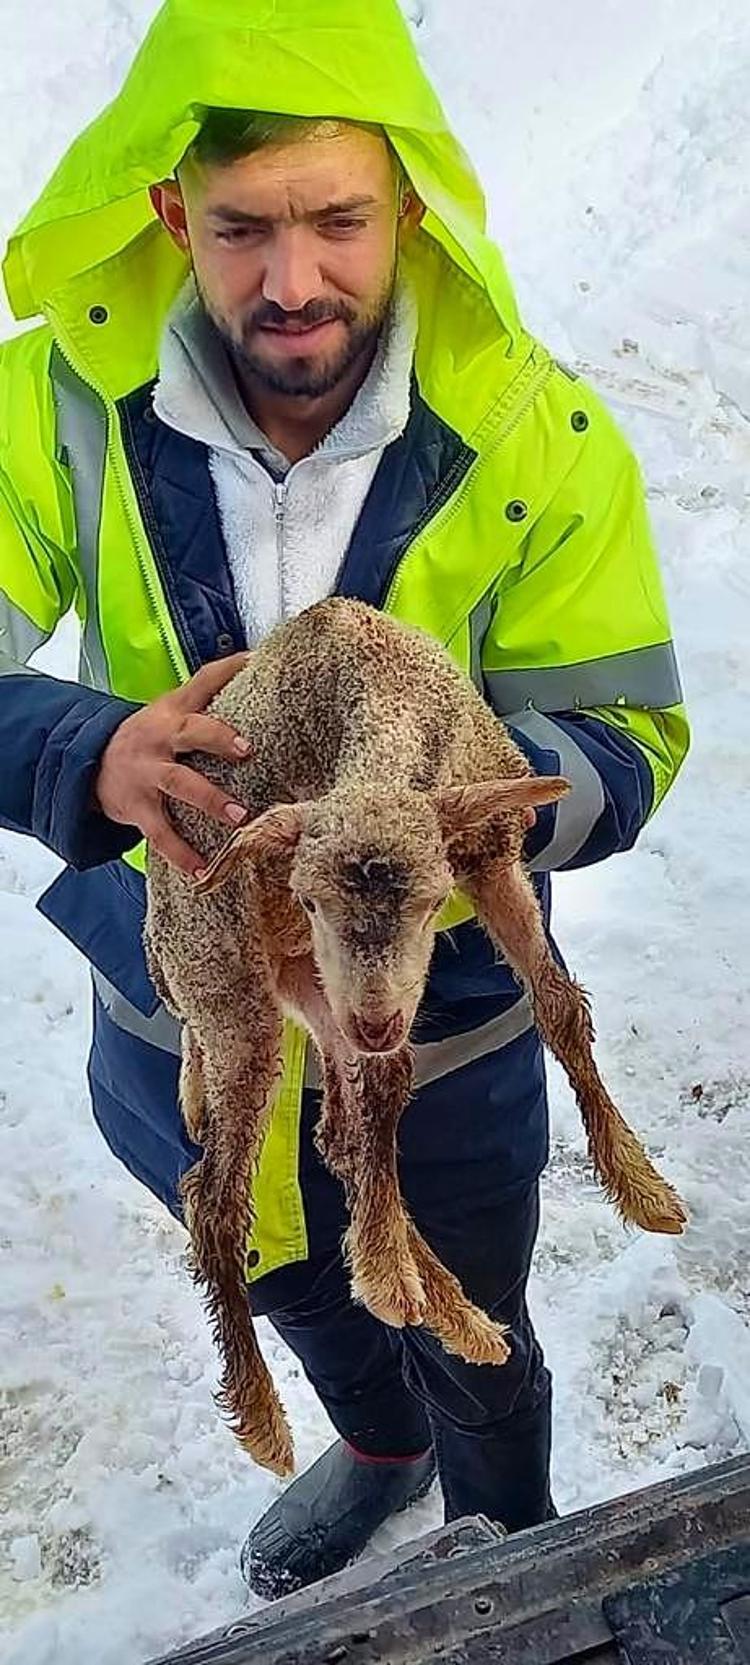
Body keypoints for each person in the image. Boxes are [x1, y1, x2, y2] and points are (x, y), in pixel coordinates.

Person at [0, 0, 688, 1602]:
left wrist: (487, 810)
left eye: (336, 221)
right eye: (239, 229)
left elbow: (625, 727)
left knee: (464, 1273)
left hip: (430, 1019)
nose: (289, 280)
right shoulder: (51, 414)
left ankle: (500, 1521)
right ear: (173, 214)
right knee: (279, 1254)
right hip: (171, 1002)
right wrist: (77, 752)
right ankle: (378, 1443)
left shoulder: (538, 432)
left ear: (414, 207)